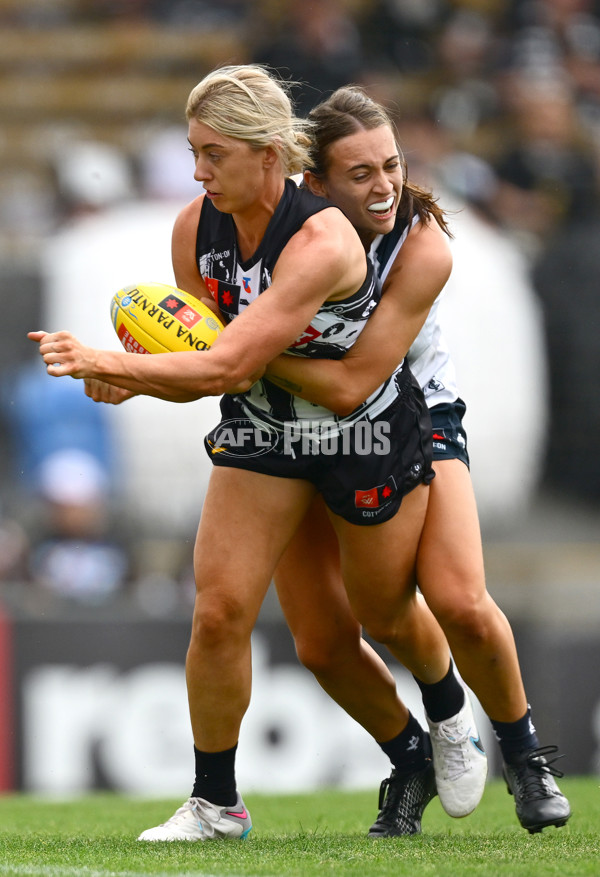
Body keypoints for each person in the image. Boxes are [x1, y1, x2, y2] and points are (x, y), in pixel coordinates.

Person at [29, 64, 472, 842]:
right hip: (265, 431)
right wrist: (138, 380)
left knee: (387, 614)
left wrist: (115, 360)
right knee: (225, 610)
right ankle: (219, 801)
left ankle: (447, 715)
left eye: (214, 154)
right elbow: (204, 364)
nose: (198, 172)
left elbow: (229, 361)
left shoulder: (321, 239)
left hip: (358, 433)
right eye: (193, 151)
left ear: (269, 153)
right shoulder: (192, 228)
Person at [263, 85, 571, 835]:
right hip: (294, 430)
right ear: (318, 183)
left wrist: (240, 358)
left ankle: (524, 755)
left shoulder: (421, 241)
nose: (384, 185)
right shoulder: (279, 232)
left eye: (391, 166)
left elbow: (357, 379)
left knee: (457, 600)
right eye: (361, 172)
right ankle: (413, 757)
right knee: (323, 643)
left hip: (411, 417)